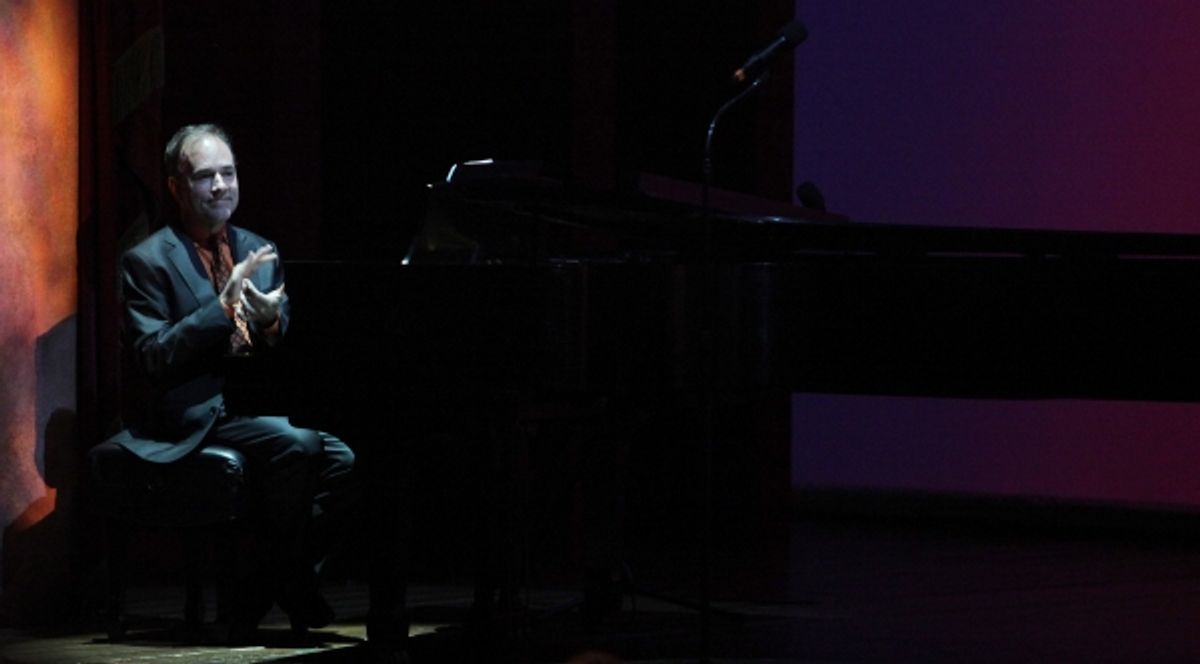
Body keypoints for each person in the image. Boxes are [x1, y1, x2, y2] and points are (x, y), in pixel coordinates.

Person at [106, 123, 356, 641]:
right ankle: (280, 585)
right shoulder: (147, 260)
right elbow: (152, 357)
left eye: (229, 173)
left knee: (346, 461)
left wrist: (268, 321)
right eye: (205, 176)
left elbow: (283, 347)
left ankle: (268, 584)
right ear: (176, 187)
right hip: (192, 417)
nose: (221, 186)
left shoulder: (260, 249)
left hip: (253, 408)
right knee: (300, 446)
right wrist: (219, 310)